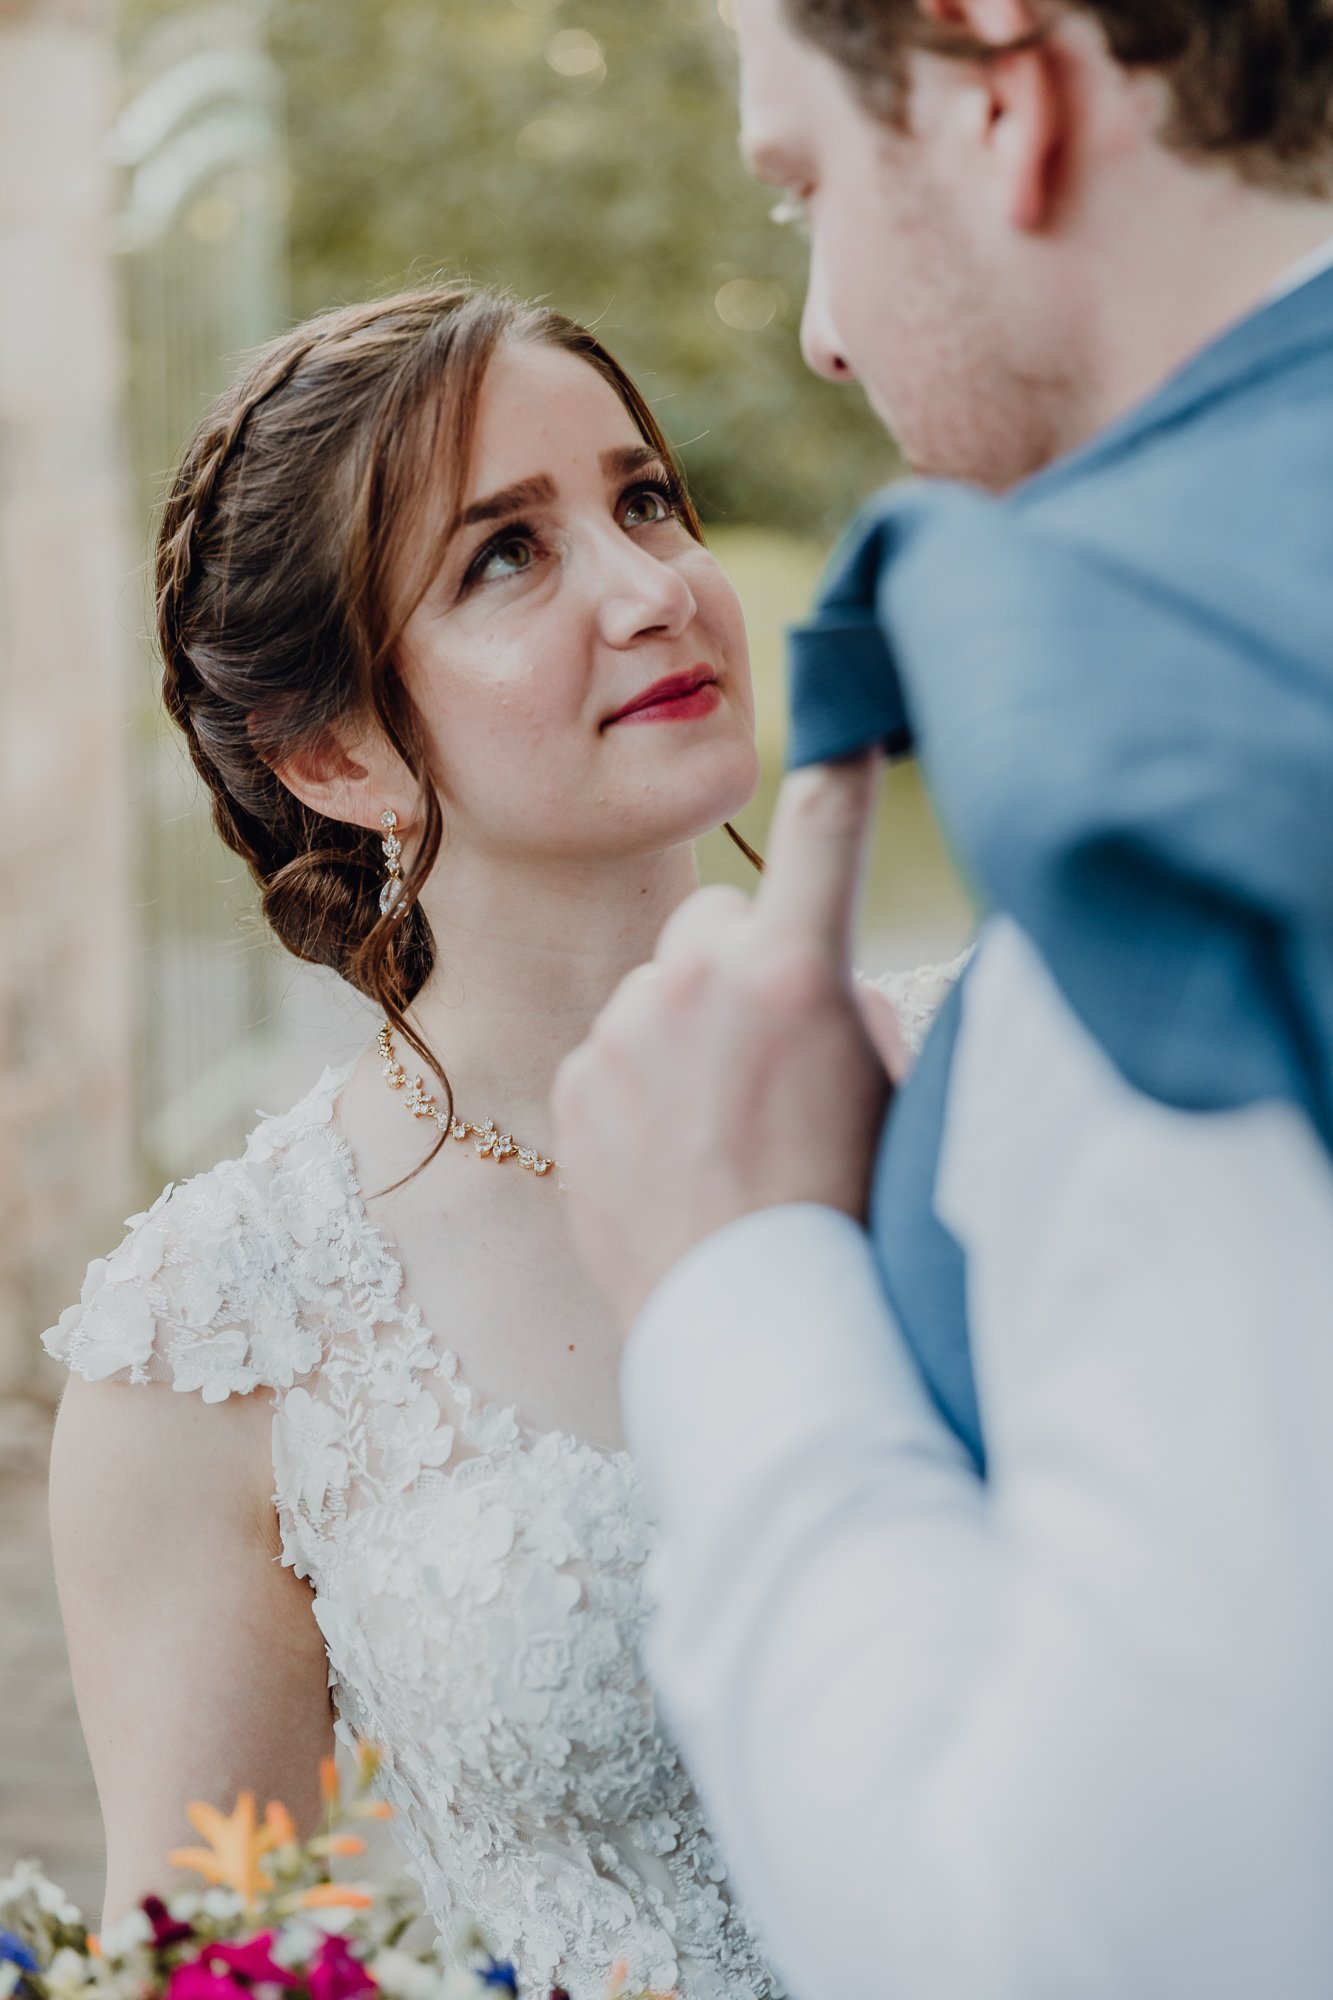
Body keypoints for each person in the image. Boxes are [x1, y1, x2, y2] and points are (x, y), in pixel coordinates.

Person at [551, 1, 1333, 1994]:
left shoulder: (1151, 768)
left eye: (805, 179)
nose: (818, 325)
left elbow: (1099, 1948)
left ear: (1000, 81)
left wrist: (738, 1278)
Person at [43, 282, 947, 1996]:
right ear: (332, 750)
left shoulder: (999, 1068)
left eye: (641, 499)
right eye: (503, 558)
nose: (649, 590)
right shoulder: (213, 1342)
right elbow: (215, 1966)